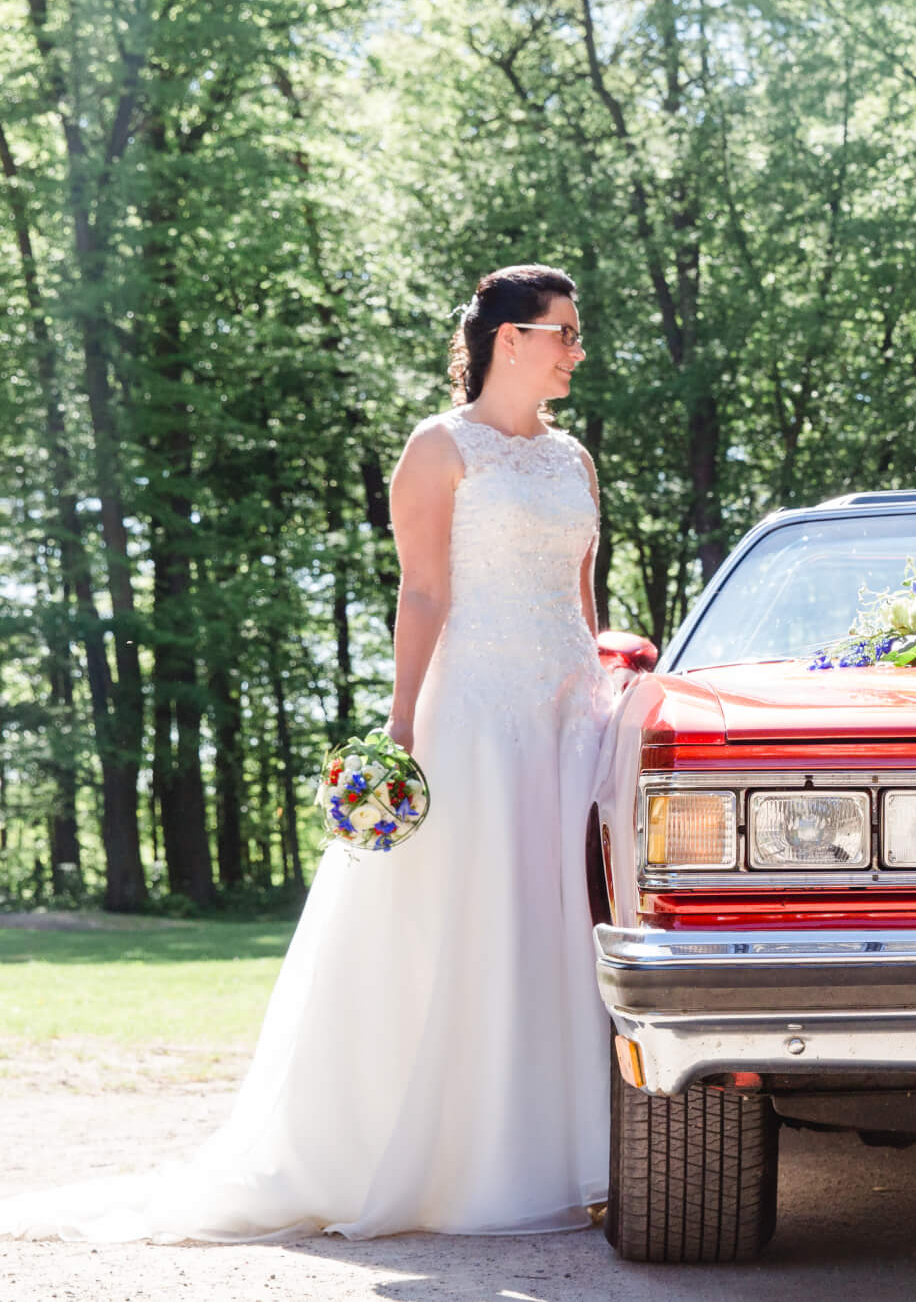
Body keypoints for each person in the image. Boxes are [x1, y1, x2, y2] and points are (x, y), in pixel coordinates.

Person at [1, 264, 615, 1242]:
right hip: (476, 719)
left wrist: (611, 694)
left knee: (560, 926)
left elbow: (584, 600)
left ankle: (575, 1151)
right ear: (511, 339)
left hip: (568, 718)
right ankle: (464, 1162)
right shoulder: (438, 450)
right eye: (565, 332)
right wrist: (403, 725)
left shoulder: (573, 459)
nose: (578, 350)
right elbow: (420, 595)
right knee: (473, 925)